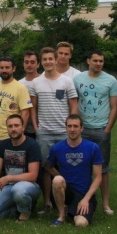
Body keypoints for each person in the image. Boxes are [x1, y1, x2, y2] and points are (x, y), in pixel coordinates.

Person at [30, 47, 79, 214]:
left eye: (51, 59)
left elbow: (73, 103)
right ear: (41, 62)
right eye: (45, 59)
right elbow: (33, 107)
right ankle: (47, 202)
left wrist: (71, 125)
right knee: (46, 167)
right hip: (44, 132)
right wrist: (37, 128)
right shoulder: (36, 82)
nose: (48, 62)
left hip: (63, 132)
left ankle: (66, 201)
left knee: (65, 165)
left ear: (56, 60)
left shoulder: (66, 81)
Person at [74, 49, 117, 215]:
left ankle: (105, 203)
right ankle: (80, 198)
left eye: (101, 61)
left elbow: (115, 106)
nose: (99, 64)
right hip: (82, 130)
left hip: (101, 129)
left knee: (103, 168)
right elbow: (74, 101)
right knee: (81, 165)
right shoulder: (78, 79)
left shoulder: (111, 80)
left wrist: (107, 129)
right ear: (88, 61)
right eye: (95, 61)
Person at [46, 114, 103, 228]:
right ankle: (61, 216)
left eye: (76, 126)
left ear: (81, 128)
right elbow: (48, 166)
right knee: (57, 180)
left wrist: (86, 199)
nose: (72, 129)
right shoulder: (57, 148)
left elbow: (98, 177)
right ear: (66, 128)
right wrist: (61, 178)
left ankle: (73, 211)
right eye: (69, 126)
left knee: (81, 224)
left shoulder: (92, 148)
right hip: (67, 191)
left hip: (84, 193)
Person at [0, 114, 42, 222]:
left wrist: (9, 178)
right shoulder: (3, 145)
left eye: (16, 125)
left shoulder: (32, 145)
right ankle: (16, 209)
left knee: (18, 190)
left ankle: (25, 212)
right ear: (7, 129)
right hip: (9, 186)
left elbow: (33, 175)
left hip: (29, 186)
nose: (13, 129)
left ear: (23, 127)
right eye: (10, 126)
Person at [0, 56, 32, 169]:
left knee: (12, 168)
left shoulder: (20, 88)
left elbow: (25, 112)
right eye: (2, 67)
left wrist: (21, 131)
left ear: (13, 69)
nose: (4, 70)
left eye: (7, 67)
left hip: (11, 137)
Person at [19, 50, 40, 138]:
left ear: (38, 64)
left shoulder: (44, 81)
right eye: (26, 62)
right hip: (24, 129)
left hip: (42, 127)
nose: (29, 65)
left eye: (32, 62)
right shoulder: (19, 84)